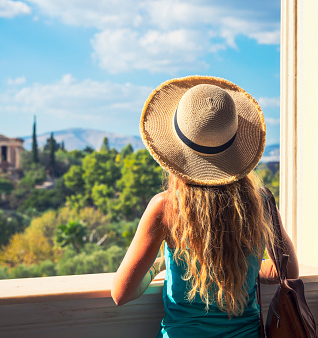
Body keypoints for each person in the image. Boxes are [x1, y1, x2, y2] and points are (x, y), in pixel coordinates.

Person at [111, 76, 298, 337]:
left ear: (175, 152)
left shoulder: (166, 207)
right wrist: (248, 268)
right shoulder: (261, 203)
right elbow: (288, 271)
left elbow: (122, 293)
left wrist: (159, 266)